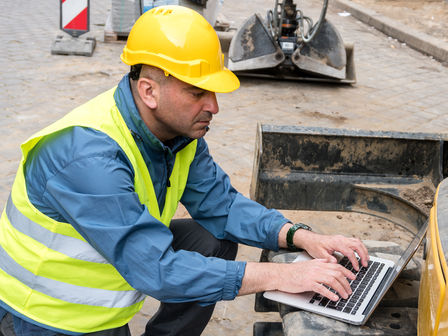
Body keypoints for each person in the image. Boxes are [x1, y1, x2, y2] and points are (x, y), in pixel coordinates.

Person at [0, 5, 369, 336]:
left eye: (213, 91)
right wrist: (282, 275)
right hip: (50, 316)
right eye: (197, 93)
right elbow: (156, 269)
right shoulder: (86, 158)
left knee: (212, 239)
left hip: (111, 272)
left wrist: (300, 237)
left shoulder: (177, 134)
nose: (213, 106)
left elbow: (221, 205)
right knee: (177, 261)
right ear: (149, 91)